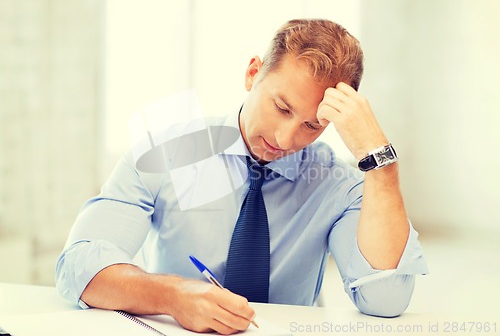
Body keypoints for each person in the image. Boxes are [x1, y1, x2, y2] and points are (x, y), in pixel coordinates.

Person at [56, 19, 428, 335]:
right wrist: (171, 296)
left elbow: (385, 300)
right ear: (253, 73)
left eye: (313, 125)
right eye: (282, 107)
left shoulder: (338, 186)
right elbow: (78, 267)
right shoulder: (166, 153)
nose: (285, 140)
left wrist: (381, 161)